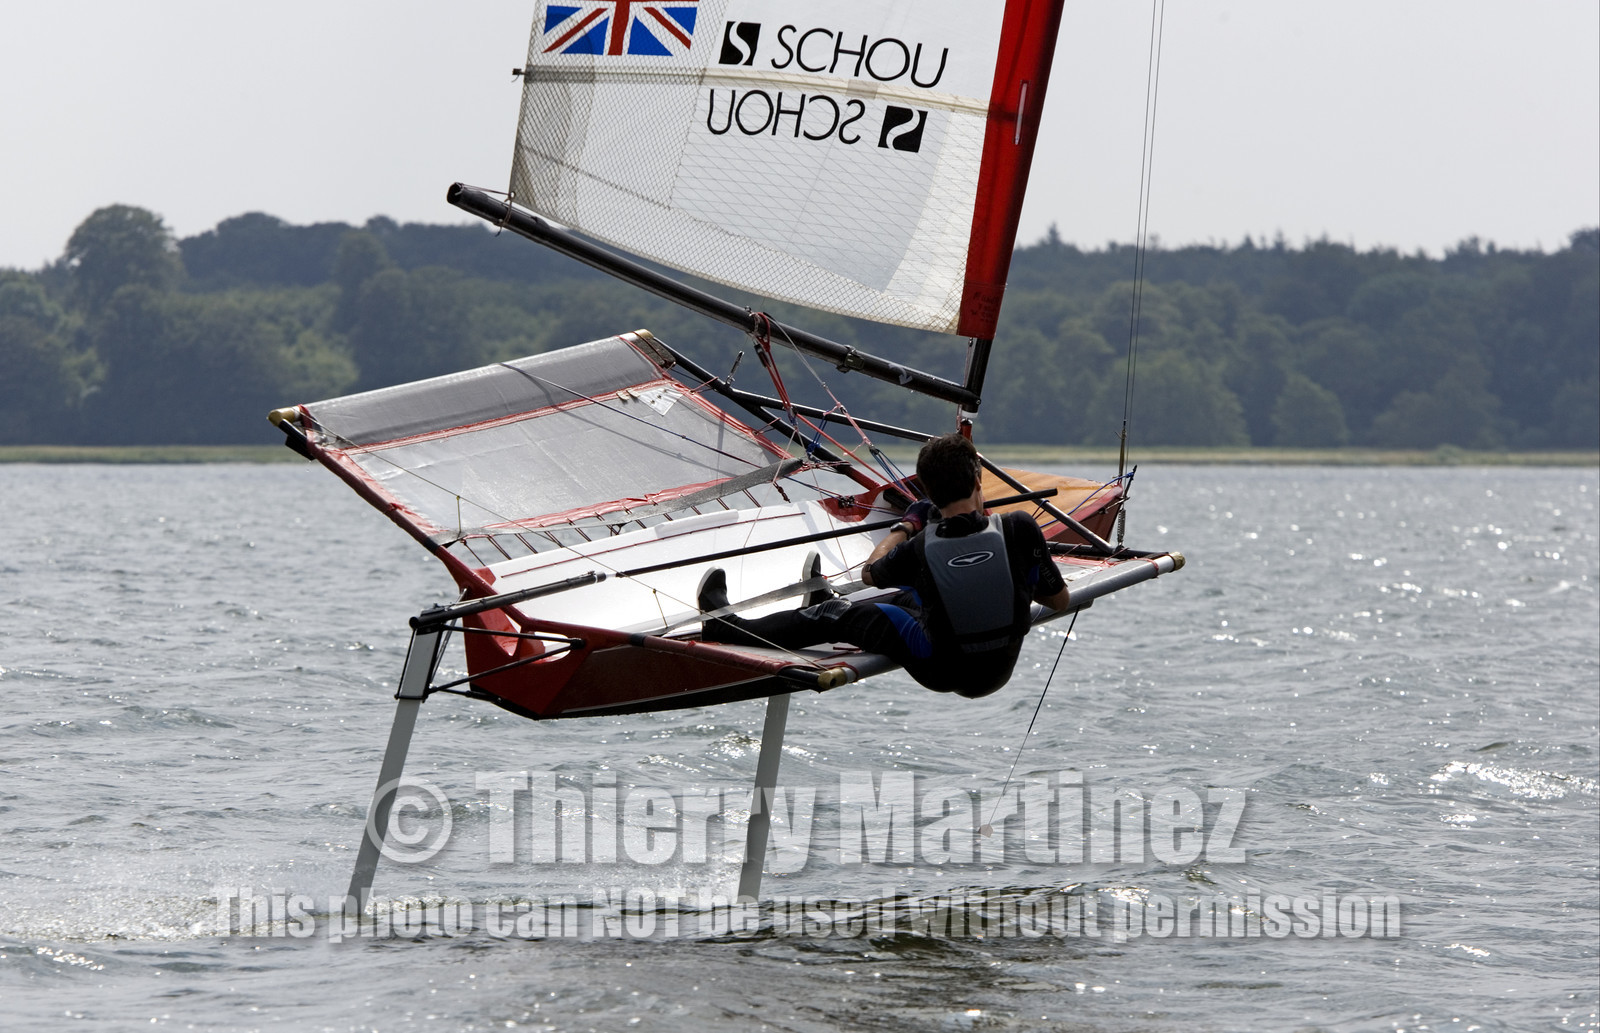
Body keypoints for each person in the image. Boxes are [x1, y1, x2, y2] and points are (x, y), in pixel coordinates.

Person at [698, 433, 1071, 698]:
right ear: (977, 479)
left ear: (927, 492)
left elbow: (869, 572)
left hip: (940, 668)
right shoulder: (1020, 527)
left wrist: (907, 525)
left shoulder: (922, 545)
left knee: (838, 613)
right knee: (908, 601)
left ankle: (728, 628)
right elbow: (1059, 601)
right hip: (998, 669)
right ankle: (818, 608)